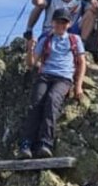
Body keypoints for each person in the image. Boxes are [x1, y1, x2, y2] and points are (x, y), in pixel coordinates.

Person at [18, 8, 86, 159]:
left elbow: (82, 63)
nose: (60, 25)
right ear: (52, 22)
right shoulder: (45, 39)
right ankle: (26, 144)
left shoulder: (75, 39)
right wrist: (30, 49)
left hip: (64, 78)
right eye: (58, 22)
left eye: (64, 22)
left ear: (68, 24)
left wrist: (78, 86)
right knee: (36, 103)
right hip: (45, 75)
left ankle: (45, 143)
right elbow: (31, 64)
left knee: (52, 100)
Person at [24, 0, 98, 48]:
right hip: (51, 31)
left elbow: (93, 10)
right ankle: (30, 30)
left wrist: (95, 4)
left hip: (69, 32)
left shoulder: (80, 3)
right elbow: (38, 2)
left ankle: (81, 45)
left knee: (91, 13)